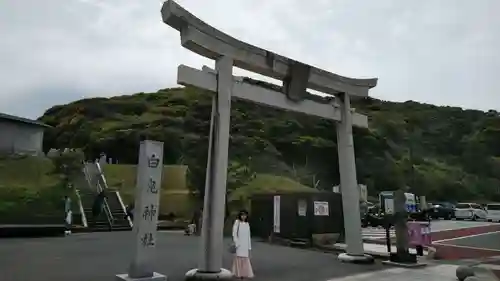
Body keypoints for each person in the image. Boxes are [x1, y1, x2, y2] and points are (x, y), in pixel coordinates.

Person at [232, 210, 254, 279]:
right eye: (242, 215)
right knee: (239, 258)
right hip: (239, 244)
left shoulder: (247, 224)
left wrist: (249, 247)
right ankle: (238, 273)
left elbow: (248, 236)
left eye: (245, 215)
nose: (243, 216)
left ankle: (244, 273)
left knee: (245, 259)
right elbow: (234, 233)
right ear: (240, 215)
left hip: (245, 245)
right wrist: (237, 243)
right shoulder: (237, 222)